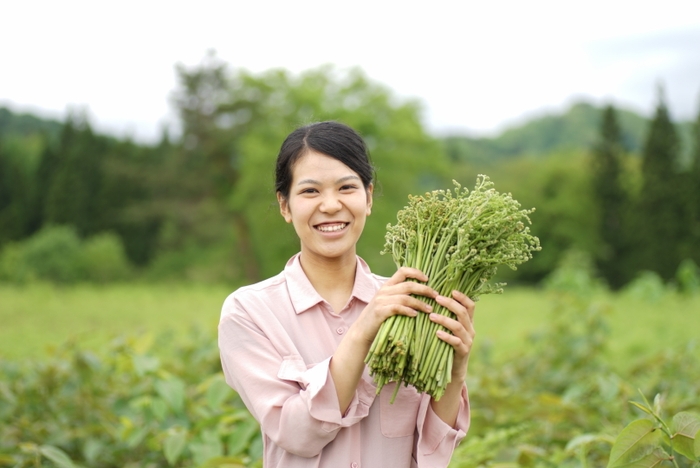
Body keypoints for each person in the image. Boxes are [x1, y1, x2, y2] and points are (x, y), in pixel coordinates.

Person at [218, 121, 476, 467]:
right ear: (285, 205)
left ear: (368, 198)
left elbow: (434, 449)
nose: (330, 205)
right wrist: (363, 330)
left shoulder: (413, 301)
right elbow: (296, 433)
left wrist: (455, 371)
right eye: (310, 191)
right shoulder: (250, 312)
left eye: (346, 187)